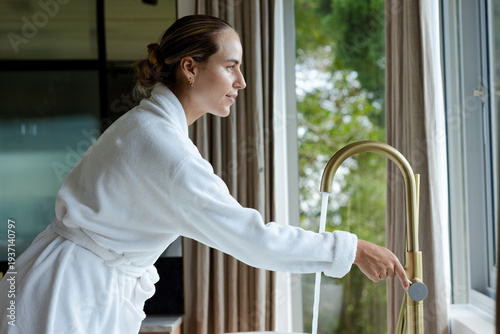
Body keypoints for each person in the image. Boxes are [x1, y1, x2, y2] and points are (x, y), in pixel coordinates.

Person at [0, 15, 409, 333]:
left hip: (63, 281)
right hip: (66, 297)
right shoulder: (165, 149)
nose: (242, 81)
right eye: (230, 66)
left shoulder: (149, 126)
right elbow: (254, 239)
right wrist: (350, 250)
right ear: (190, 67)